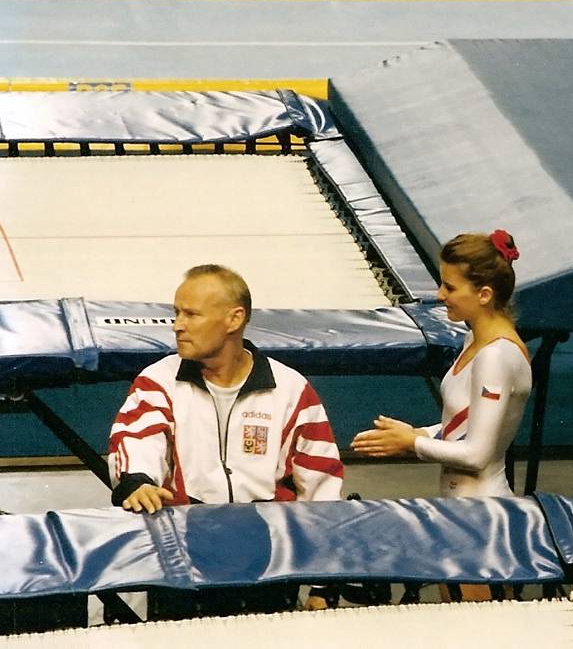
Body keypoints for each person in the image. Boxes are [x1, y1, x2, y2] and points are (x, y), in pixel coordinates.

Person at [108, 264, 343, 612]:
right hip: (181, 561)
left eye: (191, 314)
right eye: (176, 313)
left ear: (234, 319)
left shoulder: (291, 389)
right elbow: (137, 437)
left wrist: (325, 583)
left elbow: (321, 483)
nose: (177, 325)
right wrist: (138, 481)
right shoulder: (157, 381)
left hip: (270, 564)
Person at [351, 230, 532, 499]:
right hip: (460, 504)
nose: (439, 295)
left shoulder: (495, 356)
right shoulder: (475, 339)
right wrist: (418, 433)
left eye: (450, 287)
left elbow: (476, 454)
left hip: (483, 507)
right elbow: (461, 425)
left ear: (484, 294)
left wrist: (413, 442)